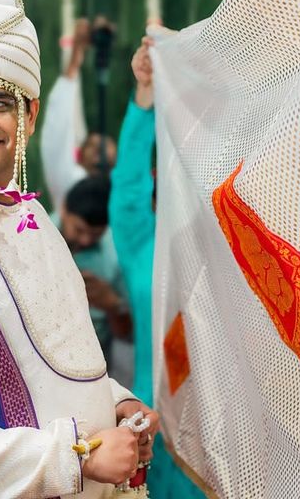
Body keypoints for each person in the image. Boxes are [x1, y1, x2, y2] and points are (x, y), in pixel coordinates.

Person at [0, 0, 157, 498]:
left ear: (30, 113)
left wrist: (117, 401)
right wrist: (73, 460)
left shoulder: (33, 218)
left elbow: (60, 365)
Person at [109, 37, 206, 498]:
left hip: (238, 435)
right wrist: (145, 95)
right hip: (158, 432)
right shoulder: (148, 250)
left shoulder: (249, 259)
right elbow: (127, 189)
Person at [54, 175, 132, 368]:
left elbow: (127, 334)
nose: (86, 240)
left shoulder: (116, 257)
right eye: (79, 230)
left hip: (94, 360)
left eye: (95, 234)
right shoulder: (33, 234)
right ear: (64, 209)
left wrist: (113, 304)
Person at [41, 18, 117, 213]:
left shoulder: (114, 195)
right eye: (93, 146)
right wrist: (76, 56)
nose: (98, 151)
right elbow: (61, 123)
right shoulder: (70, 180)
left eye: (104, 157)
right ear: (80, 156)